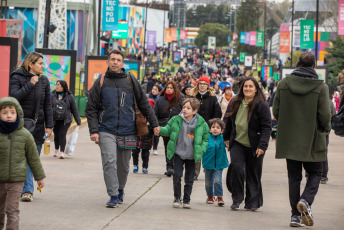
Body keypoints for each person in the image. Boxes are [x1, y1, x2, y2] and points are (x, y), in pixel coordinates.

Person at [85, 50, 159, 208]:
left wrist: (154, 123)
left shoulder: (130, 80)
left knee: (124, 166)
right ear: (107, 62)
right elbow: (90, 109)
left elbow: (144, 104)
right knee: (109, 162)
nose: (115, 62)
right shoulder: (100, 82)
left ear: (122, 63)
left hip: (128, 130)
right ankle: (113, 194)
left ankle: (120, 189)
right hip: (106, 129)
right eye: (112, 59)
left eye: (118, 60)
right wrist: (94, 130)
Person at [272, 52, 331, 227]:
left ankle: (295, 216)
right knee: (316, 173)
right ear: (314, 66)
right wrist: (324, 129)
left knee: (294, 177)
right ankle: (305, 201)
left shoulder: (283, 84)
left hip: (290, 139)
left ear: (297, 64)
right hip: (312, 139)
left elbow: (276, 112)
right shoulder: (321, 87)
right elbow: (325, 116)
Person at [223, 77, 271, 212]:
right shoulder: (236, 102)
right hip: (238, 142)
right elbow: (229, 122)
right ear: (241, 88)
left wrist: (262, 146)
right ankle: (237, 198)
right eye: (245, 86)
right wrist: (225, 138)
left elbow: (267, 127)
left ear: (256, 89)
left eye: (250, 86)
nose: (247, 89)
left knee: (253, 173)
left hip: (255, 145)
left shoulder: (261, 105)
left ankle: (252, 201)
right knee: (237, 168)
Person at [9, 51, 53, 202]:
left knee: (33, 158)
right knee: (23, 158)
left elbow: (47, 105)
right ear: (30, 64)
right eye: (40, 63)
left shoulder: (45, 81)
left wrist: (50, 126)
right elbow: (14, 98)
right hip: (19, 125)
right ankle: (27, 190)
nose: (43, 66)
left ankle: (24, 187)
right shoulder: (17, 76)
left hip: (38, 125)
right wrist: (30, 84)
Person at [0, 97, 46, 230]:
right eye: (4, 112)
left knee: (12, 209)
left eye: (12, 112)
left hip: (17, 179)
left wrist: (39, 177)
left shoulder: (25, 135)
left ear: (18, 113)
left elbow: (33, 158)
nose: (9, 115)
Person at [157, 98, 209, 209]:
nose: (185, 110)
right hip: (178, 154)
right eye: (184, 107)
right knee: (177, 176)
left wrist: (202, 149)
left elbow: (205, 138)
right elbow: (168, 130)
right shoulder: (176, 119)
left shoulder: (201, 123)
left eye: (188, 108)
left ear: (194, 111)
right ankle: (177, 198)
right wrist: (160, 130)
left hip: (192, 156)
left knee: (189, 179)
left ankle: (186, 200)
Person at [190, 76, 222, 180]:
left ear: (208, 86)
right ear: (197, 85)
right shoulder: (193, 97)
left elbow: (218, 112)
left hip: (208, 128)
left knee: (208, 149)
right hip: (195, 127)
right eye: (200, 83)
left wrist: (213, 125)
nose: (202, 85)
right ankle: (195, 172)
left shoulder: (212, 98)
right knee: (197, 149)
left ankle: (208, 168)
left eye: (204, 84)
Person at [154, 80, 183, 176]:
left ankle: (175, 166)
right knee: (168, 147)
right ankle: (169, 167)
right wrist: (155, 126)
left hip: (178, 126)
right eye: (168, 88)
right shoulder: (160, 100)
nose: (169, 89)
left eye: (171, 88)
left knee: (176, 147)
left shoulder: (180, 99)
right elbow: (155, 114)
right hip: (164, 127)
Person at [50, 80, 81, 159]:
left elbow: (74, 109)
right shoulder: (52, 95)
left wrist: (78, 120)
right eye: (56, 85)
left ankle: (62, 152)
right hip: (55, 119)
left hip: (65, 119)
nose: (56, 86)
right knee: (56, 135)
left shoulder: (69, 96)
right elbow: (49, 107)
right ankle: (56, 149)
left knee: (62, 134)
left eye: (58, 85)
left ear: (63, 87)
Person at [202, 118, 229, 207]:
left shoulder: (222, 138)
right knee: (208, 183)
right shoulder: (206, 138)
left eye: (218, 127)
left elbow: (228, 144)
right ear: (210, 129)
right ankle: (210, 196)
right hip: (208, 164)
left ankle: (219, 197)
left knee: (217, 181)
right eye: (213, 127)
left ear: (222, 130)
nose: (215, 129)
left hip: (219, 164)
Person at [132, 99, 155, 174]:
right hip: (137, 138)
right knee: (135, 152)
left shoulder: (151, 118)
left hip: (147, 139)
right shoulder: (138, 115)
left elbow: (154, 127)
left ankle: (145, 167)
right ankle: (135, 165)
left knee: (145, 155)